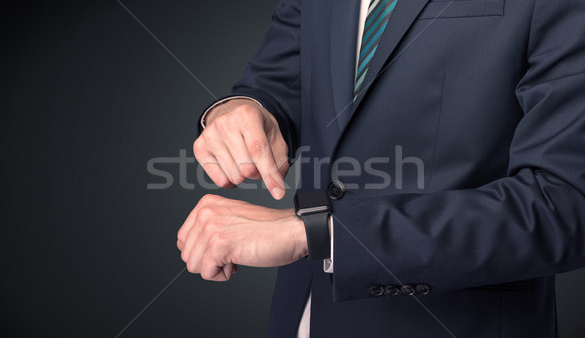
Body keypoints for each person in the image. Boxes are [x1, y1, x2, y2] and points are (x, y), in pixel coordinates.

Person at [176, 0, 585, 336]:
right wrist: (244, 109)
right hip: (302, 316)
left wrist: (318, 232)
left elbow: (564, 203)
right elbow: (281, 77)